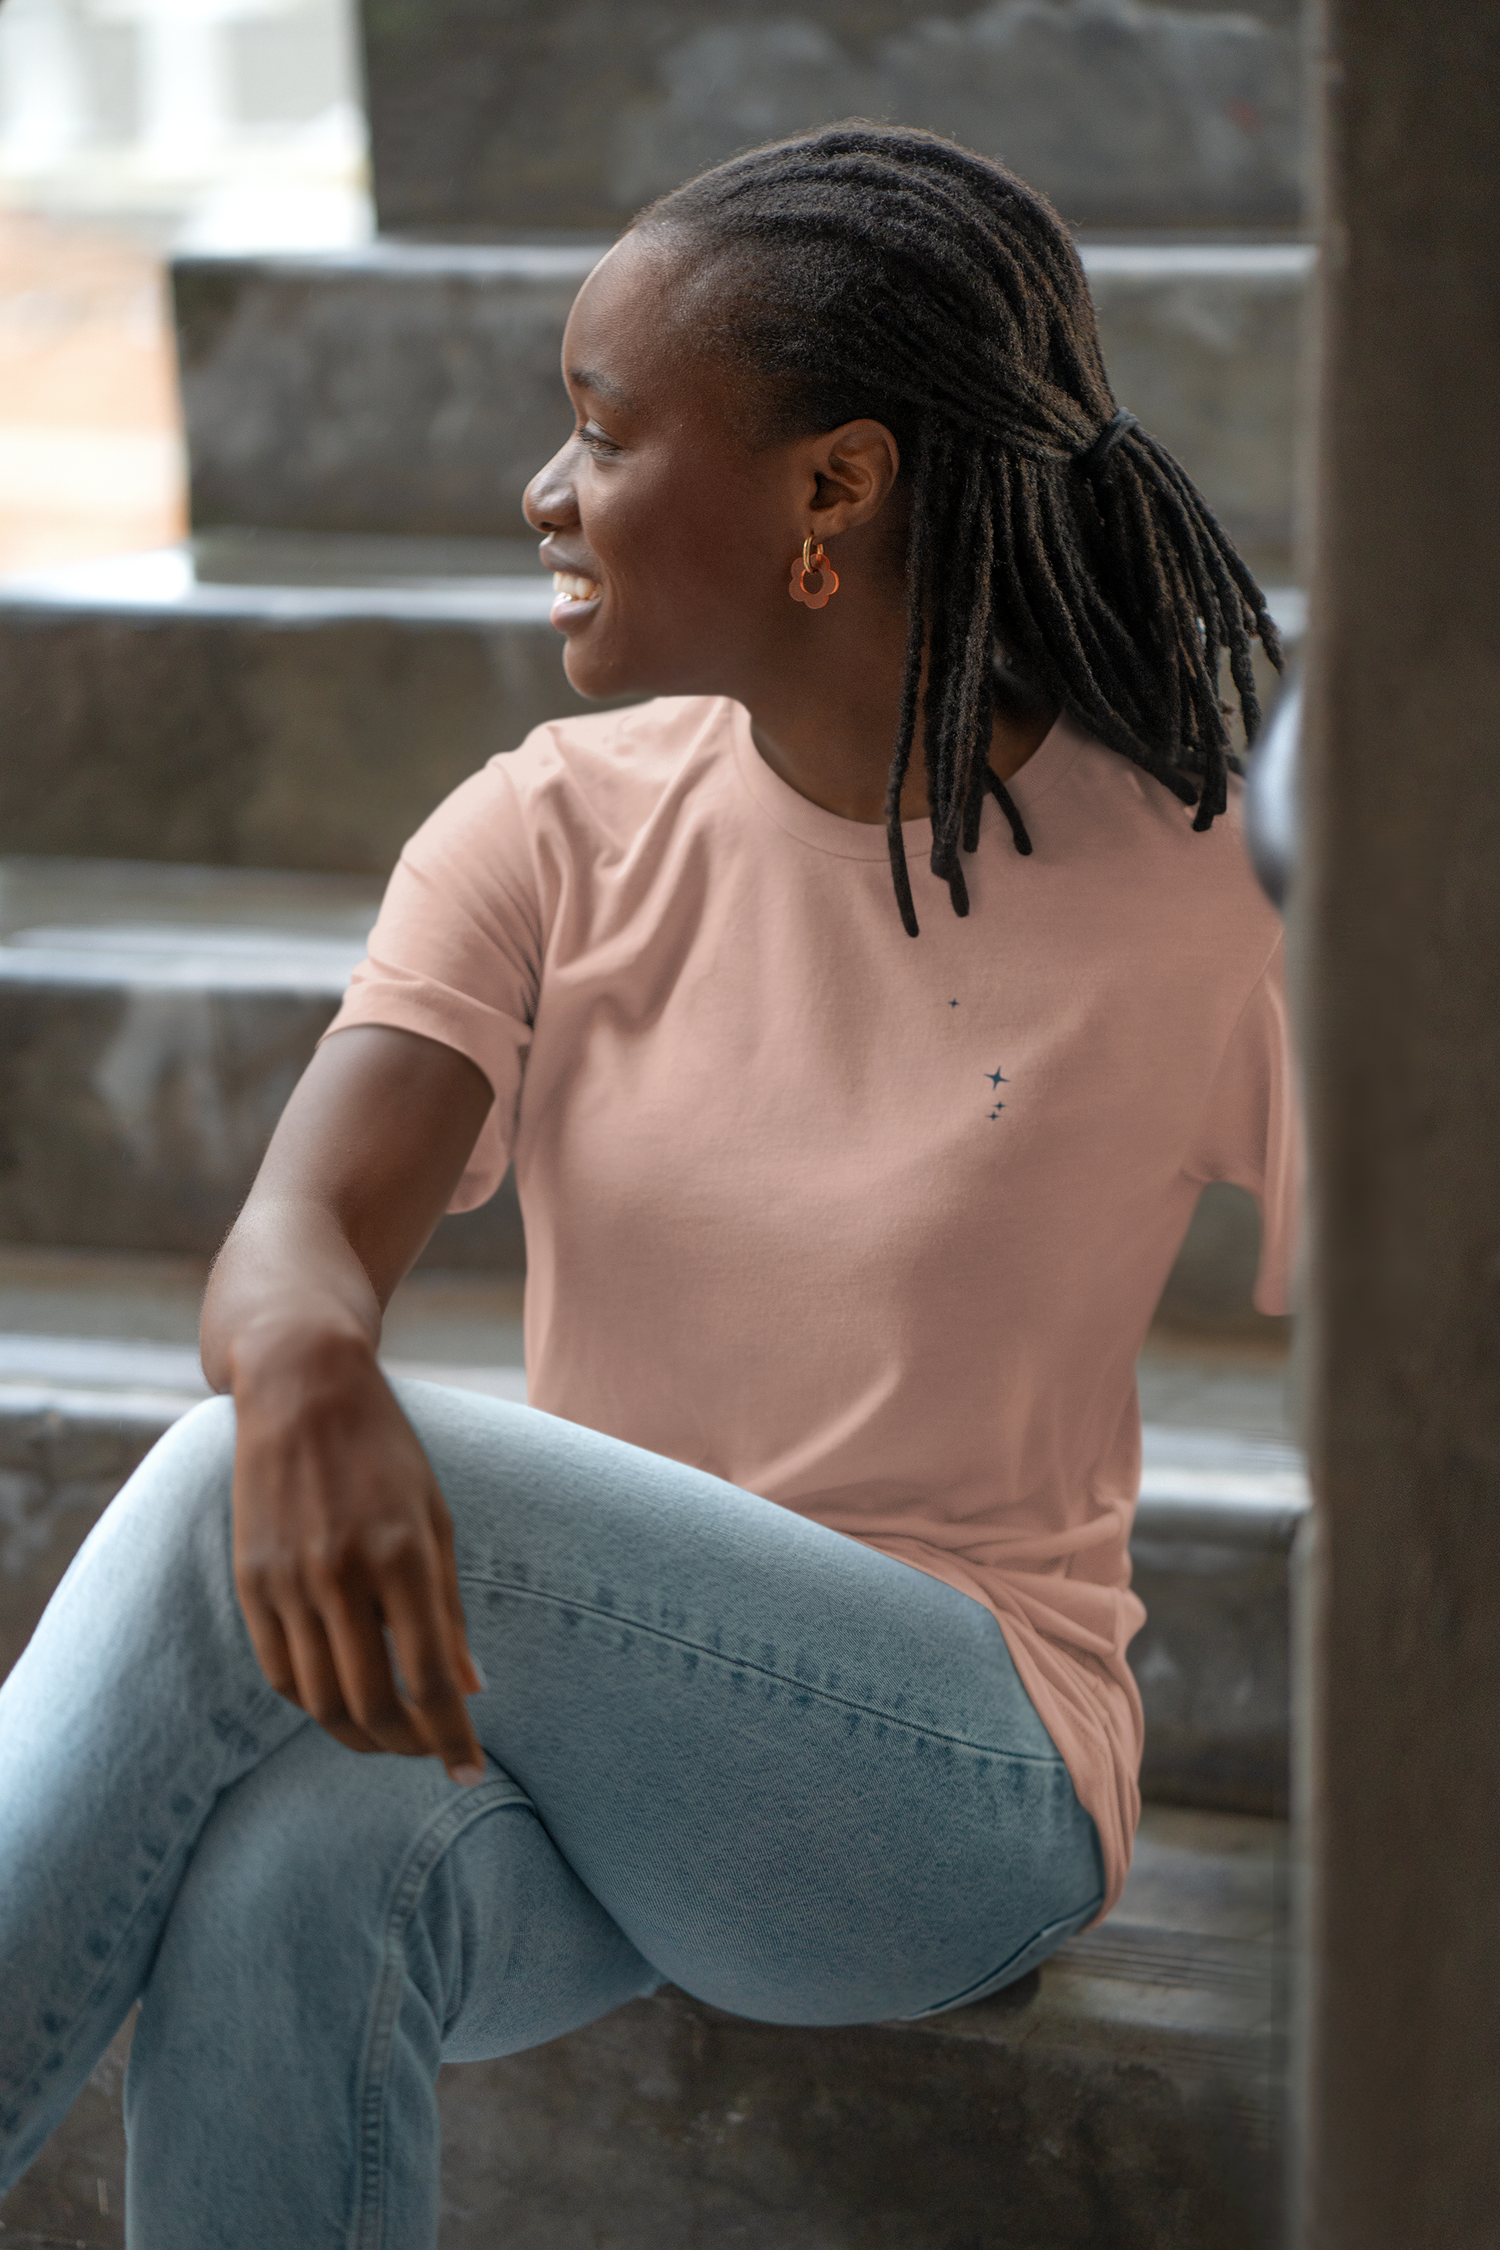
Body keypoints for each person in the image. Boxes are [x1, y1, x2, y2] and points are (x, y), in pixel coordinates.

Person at [0, 125, 1297, 2246]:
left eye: (602, 431)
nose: (543, 489)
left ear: (831, 492)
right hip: (600, 1769)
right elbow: (298, 1229)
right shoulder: (551, 829)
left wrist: (306, 1400)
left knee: (202, 1495)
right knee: (286, 1877)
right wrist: (309, 1346)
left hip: (952, 1785)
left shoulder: (1192, 889)